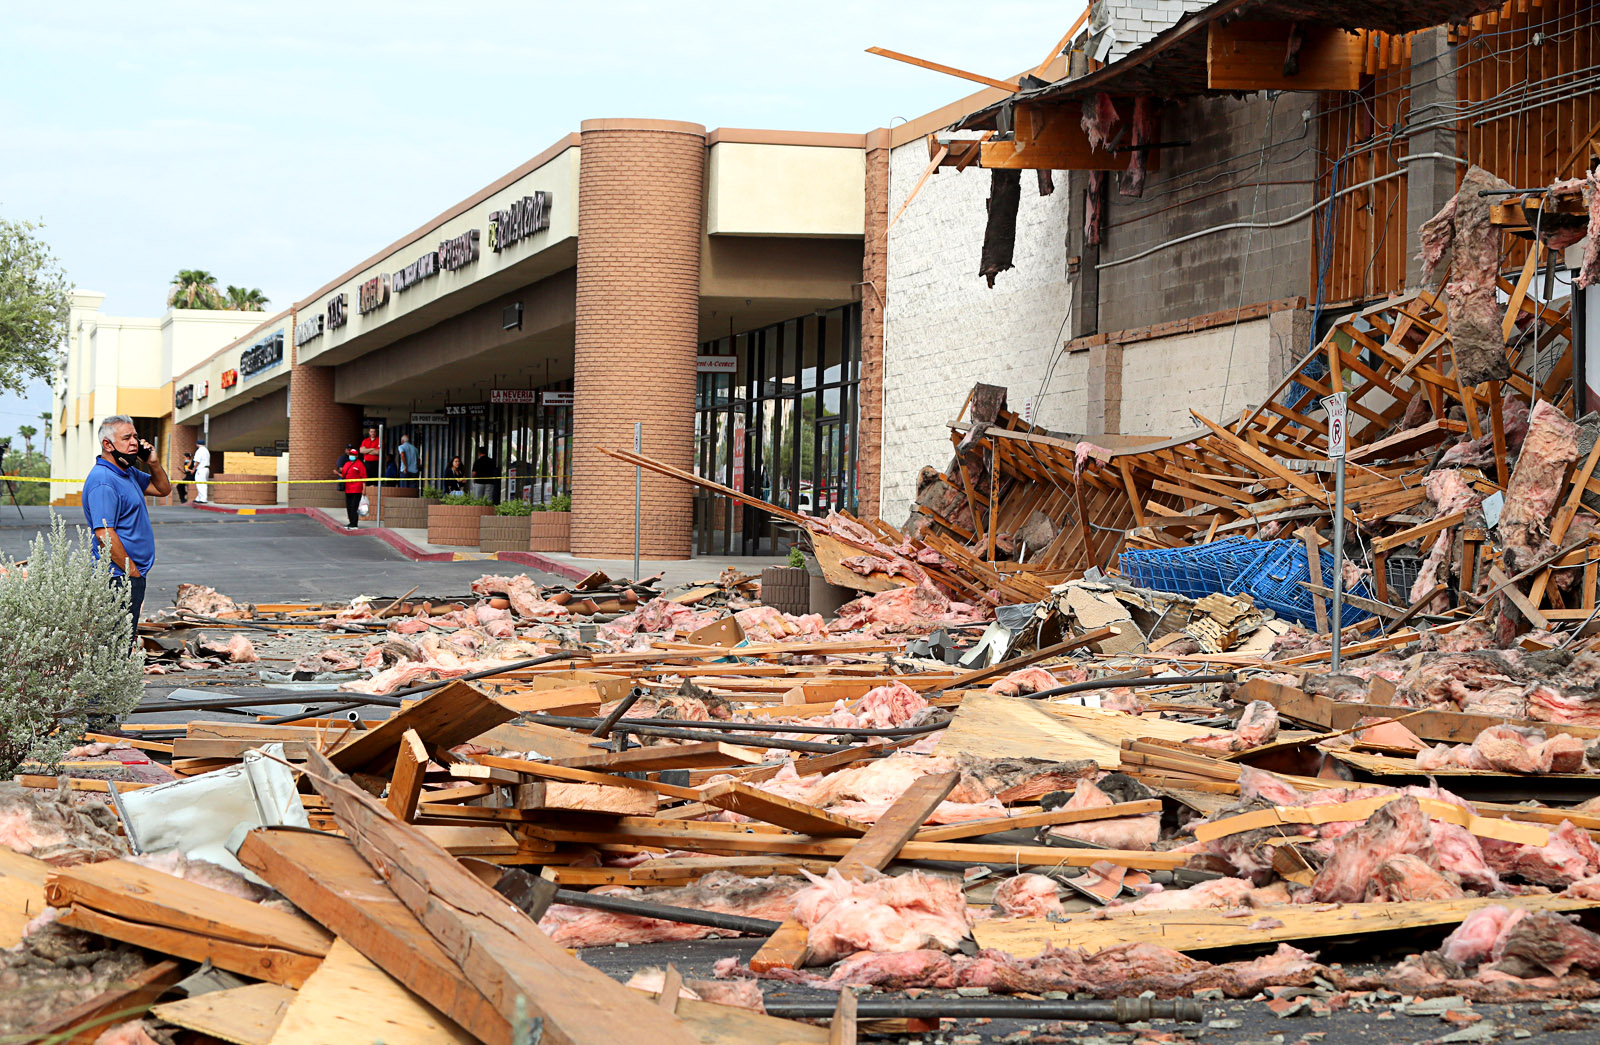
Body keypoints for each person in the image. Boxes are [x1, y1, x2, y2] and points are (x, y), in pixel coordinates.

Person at [83, 416, 171, 650]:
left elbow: (163, 489)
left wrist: (152, 462)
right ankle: (108, 687)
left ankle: (113, 684)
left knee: (123, 641)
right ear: (107, 445)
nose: (134, 442)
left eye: (135, 436)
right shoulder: (104, 480)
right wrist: (131, 571)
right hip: (117, 577)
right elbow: (104, 533)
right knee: (115, 645)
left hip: (129, 575)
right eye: (126, 438)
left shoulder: (127, 472)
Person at [339, 446, 365, 529]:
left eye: (353, 454)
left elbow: (364, 477)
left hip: (356, 489)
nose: (352, 456)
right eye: (350, 454)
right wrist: (337, 473)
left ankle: (354, 524)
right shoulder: (346, 464)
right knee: (349, 506)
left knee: (354, 506)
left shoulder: (360, 464)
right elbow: (343, 475)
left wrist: (364, 489)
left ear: (357, 456)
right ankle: (350, 523)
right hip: (348, 489)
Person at [192, 436, 211, 503]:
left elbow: (197, 461)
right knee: (203, 483)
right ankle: (199, 497)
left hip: (201, 469)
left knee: (200, 484)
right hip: (206, 468)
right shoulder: (206, 450)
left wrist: (193, 469)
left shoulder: (199, 451)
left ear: (197, 444)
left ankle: (203, 498)